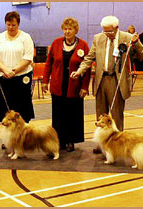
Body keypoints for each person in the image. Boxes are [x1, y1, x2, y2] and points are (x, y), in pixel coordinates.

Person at [71, 16, 143, 154]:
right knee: (101, 116)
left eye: (109, 32)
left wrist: (137, 43)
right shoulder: (98, 38)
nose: (107, 34)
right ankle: (102, 144)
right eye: (105, 31)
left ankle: (119, 145)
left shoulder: (128, 37)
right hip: (100, 80)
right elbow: (89, 58)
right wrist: (80, 71)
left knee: (116, 115)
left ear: (116, 28)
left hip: (117, 81)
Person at [42, 17, 90, 152]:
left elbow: (86, 69)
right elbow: (48, 64)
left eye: (70, 29)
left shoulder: (83, 45)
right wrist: (45, 81)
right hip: (58, 85)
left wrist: (84, 87)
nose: (67, 31)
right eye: (65, 29)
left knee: (73, 114)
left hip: (74, 87)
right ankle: (58, 140)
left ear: (76, 30)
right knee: (58, 115)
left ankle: (71, 140)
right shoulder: (56, 43)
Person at [0, 11, 35, 125]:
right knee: (5, 111)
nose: (11, 27)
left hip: (22, 78)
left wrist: (14, 71)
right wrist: (5, 70)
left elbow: (28, 58)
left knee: (22, 109)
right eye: (8, 24)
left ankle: (23, 139)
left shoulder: (26, 37)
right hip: (3, 78)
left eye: (13, 25)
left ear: (18, 24)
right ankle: (7, 141)